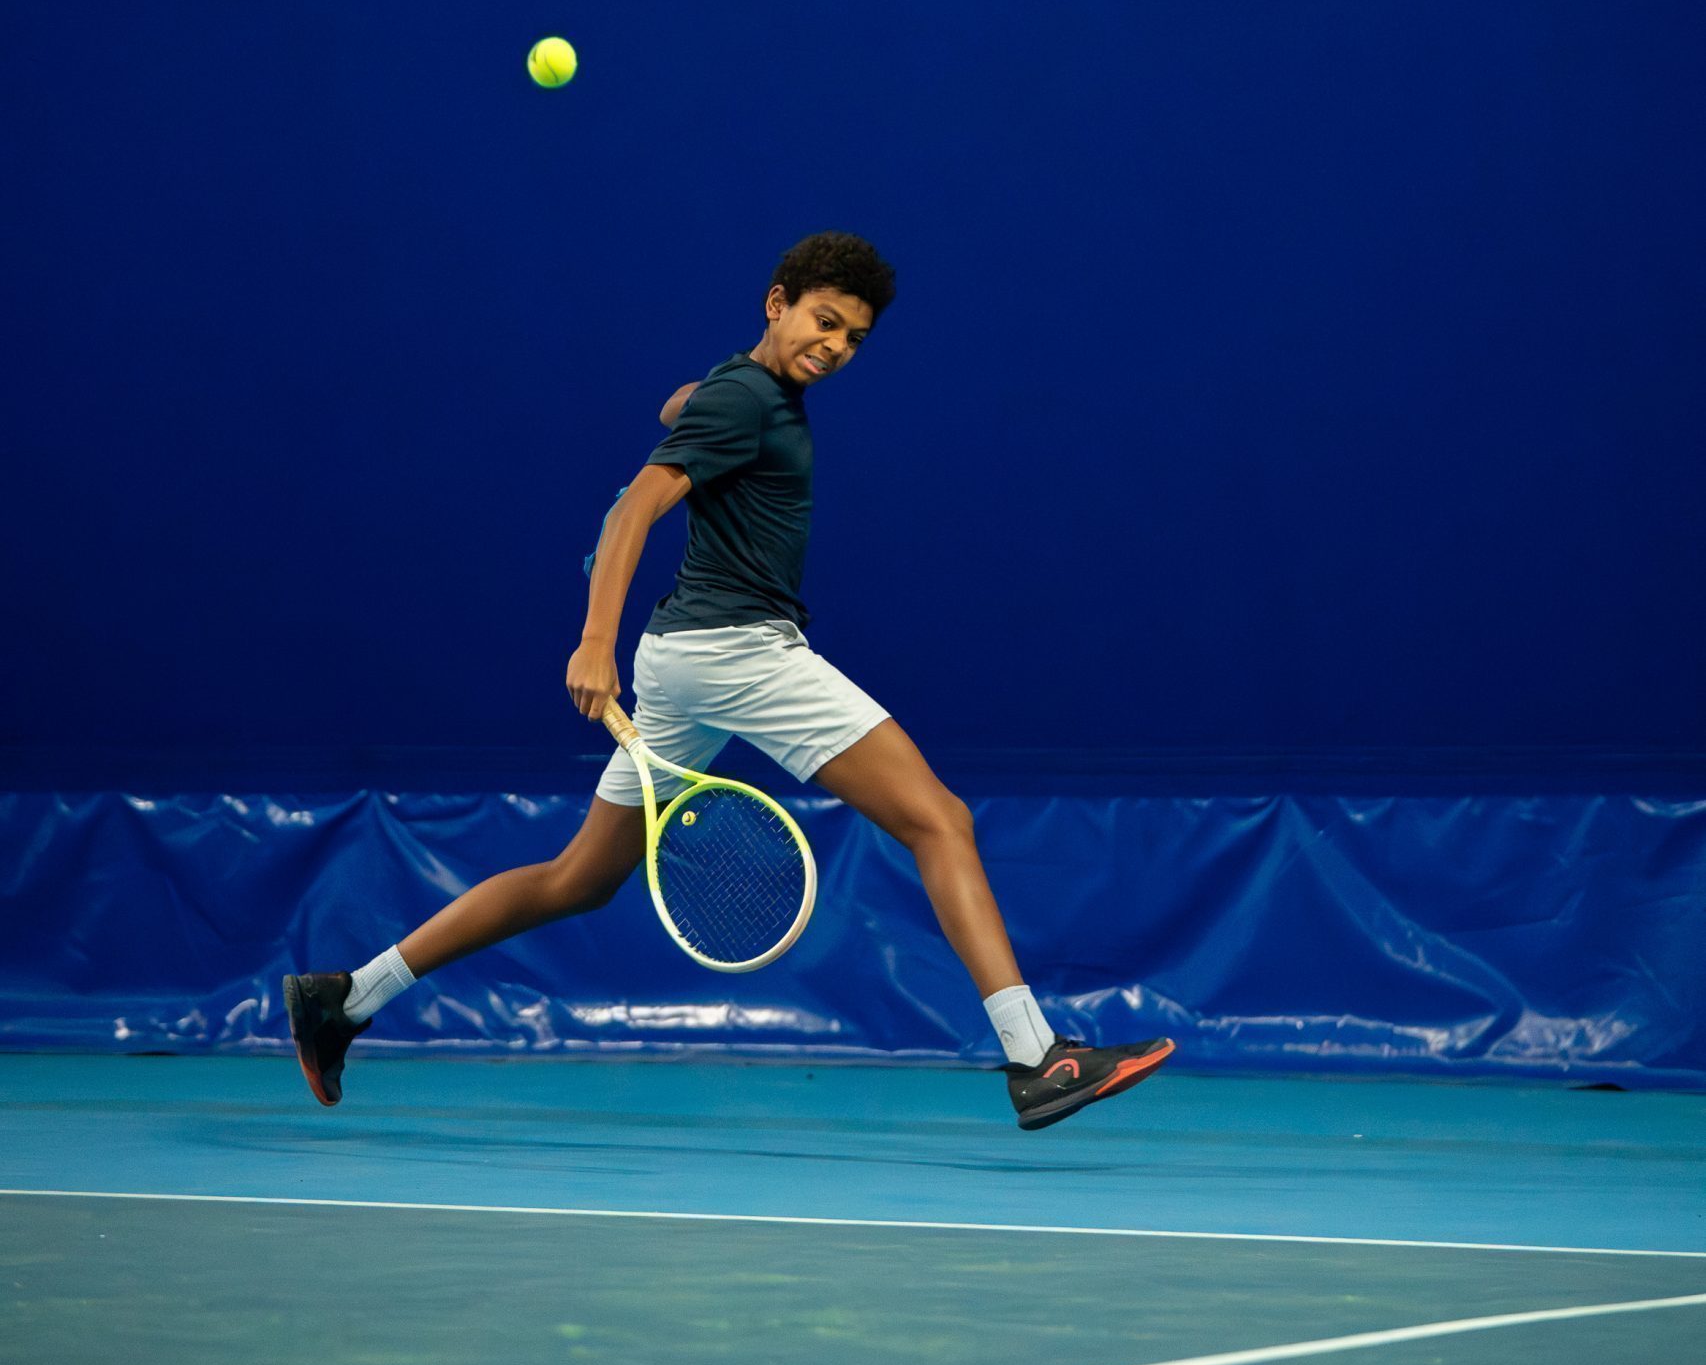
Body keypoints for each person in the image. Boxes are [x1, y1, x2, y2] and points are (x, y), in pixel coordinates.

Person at [283, 230, 1173, 1129]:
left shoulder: (741, 388)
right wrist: (593, 642)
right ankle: (1036, 1056)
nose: (835, 346)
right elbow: (634, 510)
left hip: (683, 662)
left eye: (854, 338)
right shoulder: (747, 397)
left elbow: (681, 405)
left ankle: (348, 997)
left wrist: (692, 401)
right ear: (777, 302)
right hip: (738, 654)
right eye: (823, 320)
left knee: (577, 879)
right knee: (939, 820)